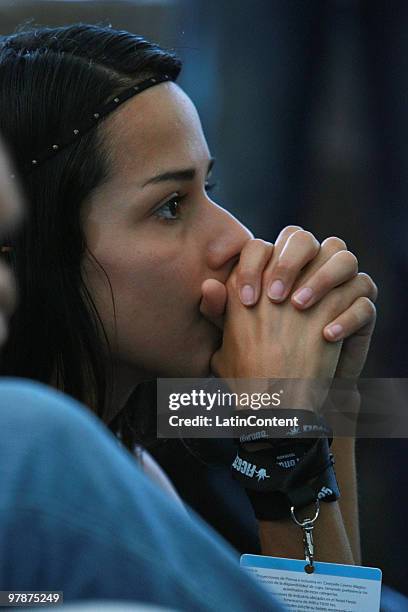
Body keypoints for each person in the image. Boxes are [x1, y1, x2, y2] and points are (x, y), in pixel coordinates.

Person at [0, 24, 377, 566]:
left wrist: (324, 406)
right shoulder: (41, 489)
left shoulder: (137, 464)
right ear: (33, 242)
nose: (240, 239)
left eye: (209, 189)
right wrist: (279, 446)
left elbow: (337, 599)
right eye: (170, 205)